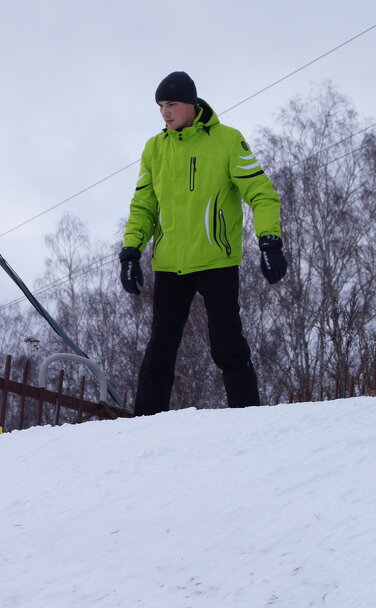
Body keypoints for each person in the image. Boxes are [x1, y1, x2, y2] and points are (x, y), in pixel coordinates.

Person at [119, 71, 287, 416]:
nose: (166, 112)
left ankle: (247, 416)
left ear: (192, 105)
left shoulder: (227, 141)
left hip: (216, 261)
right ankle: (144, 423)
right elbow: (144, 205)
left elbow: (261, 193)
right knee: (160, 349)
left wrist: (270, 242)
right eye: (161, 106)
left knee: (227, 344)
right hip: (169, 264)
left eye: (173, 105)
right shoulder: (155, 147)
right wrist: (131, 251)